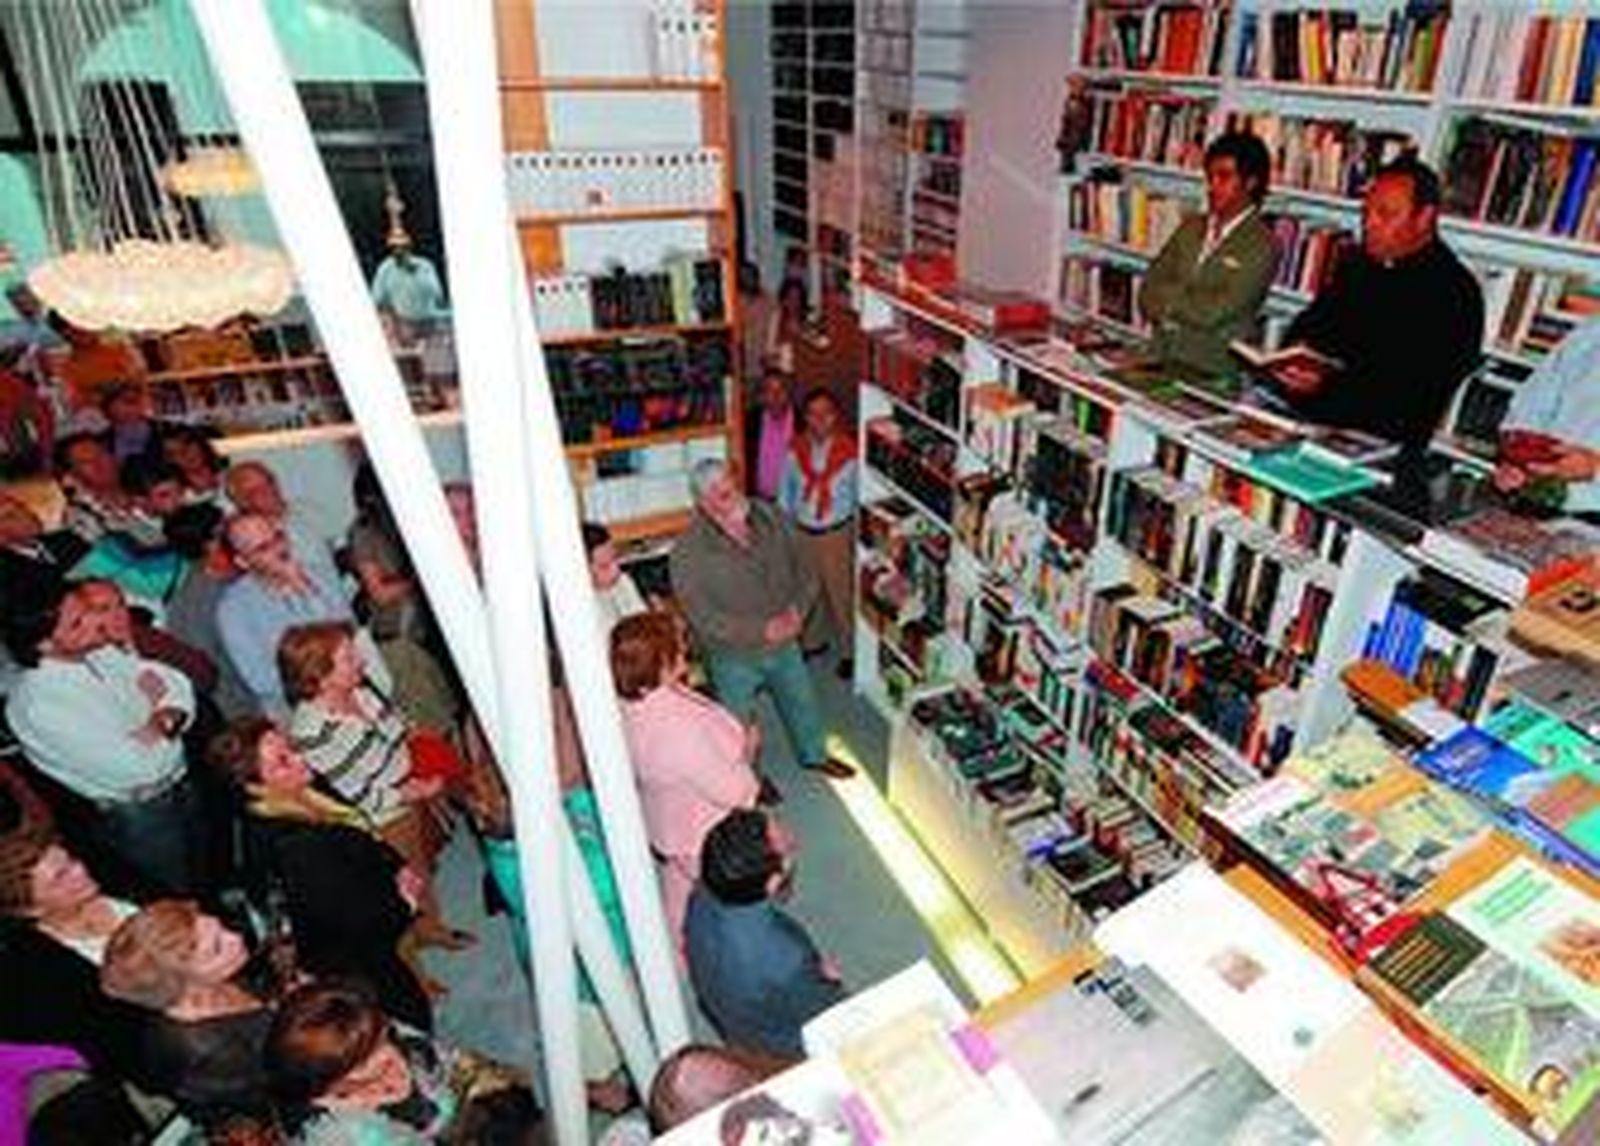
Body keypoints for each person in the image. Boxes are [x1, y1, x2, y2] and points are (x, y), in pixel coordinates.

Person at [208, 717, 432, 1031]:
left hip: (373, 911)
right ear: (255, 787)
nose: (301, 759)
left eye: (291, 748)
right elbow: (360, 927)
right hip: (358, 966)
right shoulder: (296, 848)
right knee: (402, 1020)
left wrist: (395, 864)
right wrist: (405, 902)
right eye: (283, 761)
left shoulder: (304, 785)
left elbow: (360, 828)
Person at [1272, 157, 1484, 453]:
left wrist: (1324, 383)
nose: (1368, 224)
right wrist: (1293, 361)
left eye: (1385, 214)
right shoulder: (1357, 267)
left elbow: (1408, 396)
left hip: (1380, 448)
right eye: (1366, 212)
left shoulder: (1455, 293)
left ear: (1424, 218)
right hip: (1310, 421)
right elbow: (1307, 327)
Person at [278, 621, 466, 951]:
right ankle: (419, 949)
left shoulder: (361, 693)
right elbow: (356, 794)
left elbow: (401, 728)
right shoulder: (313, 733)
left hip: (405, 794)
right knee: (398, 888)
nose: (362, 661)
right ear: (320, 675)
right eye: (349, 658)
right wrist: (414, 791)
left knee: (419, 867)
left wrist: (423, 760)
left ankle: (429, 928)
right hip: (379, 819)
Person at [3, 581, 202, 893]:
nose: (96, 621)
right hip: (140, 815)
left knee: (208, 873)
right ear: (44, 645)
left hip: (180, 783)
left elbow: (176, 683)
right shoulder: (38, 703)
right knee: (174, 896)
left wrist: (159, 722)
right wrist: (164, 717)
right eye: (77, 623)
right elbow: (140, 770)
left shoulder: (98, 651)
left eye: (86, 609)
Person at [670, 459, 855, 782]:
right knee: (737, 723)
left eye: (731, 484)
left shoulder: (772, 517)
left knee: (802, 700)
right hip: (732, 655)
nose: (732, 495)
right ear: (702, 502)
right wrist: (761, 630)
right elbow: (701, 615)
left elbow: (807, 566)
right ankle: (750, 778)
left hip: (785, 640)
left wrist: (798, 611)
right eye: (720, 493)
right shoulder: (687, 552)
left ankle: (814, 755)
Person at [611, 611, 766, 943]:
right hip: (702, 831)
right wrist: (749, 755)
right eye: (677, 650)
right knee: (728, 903)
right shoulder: (677, 732)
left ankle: (675, 942)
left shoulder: (631, 701)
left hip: (669, 820)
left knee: (677, 884)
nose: (685, 650)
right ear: (660, 666)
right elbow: (733, 791)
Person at [265, 979, 535, 1144]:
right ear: (325, 1085)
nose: (389, 1055)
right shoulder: (339, 1135)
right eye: (364, 1062)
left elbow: (458, 1063)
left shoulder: (372, 1030)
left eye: (383, 1037)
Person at [98, 900, 276, 1125]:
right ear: (183, 982)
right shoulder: (206, 1051)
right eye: (217, 948)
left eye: (223, 928)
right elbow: (279, 1097)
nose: (236, 938)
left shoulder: (213, 980)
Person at [684, 808, 844, 1057]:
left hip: (725, 1009)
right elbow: (824, 1013)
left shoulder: (701, 893)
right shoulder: (784, 959)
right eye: (787, 849)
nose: (794, 839)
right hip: (776, 1044)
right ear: (772, 882)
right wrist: (827, 981)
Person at [0, 829, 153, 1084]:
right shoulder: (46, 975)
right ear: (31, 909)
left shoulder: (113, 875)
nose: (80, 870)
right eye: (60, 877)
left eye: (71, 860)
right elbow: (118, 1043)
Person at [1138, 131, 1278, 388]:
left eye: (1224, 177)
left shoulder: (1262, 244)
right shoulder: (1191, 226)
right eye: (1209, 177)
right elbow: (1148, 286)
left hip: (1212, 372)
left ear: (1250, 182)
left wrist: (1166, 300)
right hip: (1160, 356)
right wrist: (1185, 300)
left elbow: (1214, 312)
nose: (1212, 187)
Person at [216, 511, 371, 715]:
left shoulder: (316, 573)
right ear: (243, 562)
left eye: (278, 537)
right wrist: (329, 682)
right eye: (263, 548)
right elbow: (261, 681)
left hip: (354, 683)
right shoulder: (233, 609)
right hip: (297, 708)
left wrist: (305, 588)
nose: (279, 549)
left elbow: (348, 630)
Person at [346, 463, 459, 732]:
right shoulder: (364, 532)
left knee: (456, 704)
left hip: (433, 625)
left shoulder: (413, 518)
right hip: (401, 635)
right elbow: (380, 594)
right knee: (431, 715)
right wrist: (420, 580)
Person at [779, 387, 858, 675]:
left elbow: (860, 497)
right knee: (807, 592)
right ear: (805, 417)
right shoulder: (795, 448)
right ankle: (814, 641)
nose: (820, 419)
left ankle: (850, 650)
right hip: (803, 532)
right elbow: (785, 491)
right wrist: (785, 529)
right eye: (813, 414)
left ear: (835, 416)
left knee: (841, 594)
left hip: (835, 534)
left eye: (826, 413)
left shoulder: (850, 452)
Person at [1493, 315, 1600, 520]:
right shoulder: (1592, 331)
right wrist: (1517, 459)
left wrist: (1595, 467)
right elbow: (1531, 405)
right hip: (1535, 502)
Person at [164, 503, 256, 718]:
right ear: (210, 544)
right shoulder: (196, 604)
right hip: (248, 704)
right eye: (226, 530)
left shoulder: (243, 570)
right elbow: (216, 671)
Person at [0, 490, 87, 605]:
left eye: (21, 506)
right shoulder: (8, 582)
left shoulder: (67, 538)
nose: (26, 514)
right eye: (10, 515)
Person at [371, 235, 448, 342]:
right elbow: (378, 300)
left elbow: (438, 295)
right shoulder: (385, 268)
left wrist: (415, 274)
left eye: (402, 247)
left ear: (409, 247)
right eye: (394, 247)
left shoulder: (425, 266)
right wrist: (393, 325)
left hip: (431, 321)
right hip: (403, 324)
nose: (398, 251)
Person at [583, 521, 649, 637]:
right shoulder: (579, 604)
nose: (616, 571)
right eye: (604, 566)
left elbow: (644, 626)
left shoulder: (623, 582)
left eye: (615, 558)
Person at [749, 367, 795, 502]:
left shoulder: (803, 423)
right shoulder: (750, 422)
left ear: (789, 393)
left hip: (793, 500)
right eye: (769, 390)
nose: (776, 396)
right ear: (762, 395)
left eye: (782, 389)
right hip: (759, 500)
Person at [159, 425, 227, 505]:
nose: (185, 454)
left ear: (200, 442)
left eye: (187, 444)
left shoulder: (229, 470)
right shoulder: (178, 498)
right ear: (169, 460)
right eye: (174, 453)